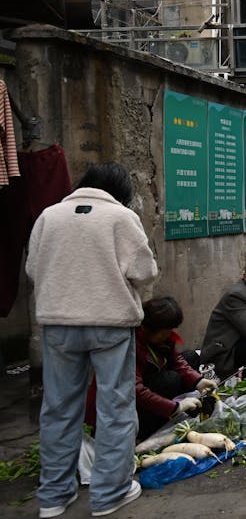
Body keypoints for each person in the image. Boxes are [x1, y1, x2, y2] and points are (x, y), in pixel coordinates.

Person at [26, 161, 158, 517]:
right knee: (114, 407)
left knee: (58, 408)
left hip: (59, 324)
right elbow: (144, 272)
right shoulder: (120, 218)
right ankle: (109, 492)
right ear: (121, 192)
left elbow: (33, 268)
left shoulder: (49, 217)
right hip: (109, 324)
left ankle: (53, 495)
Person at [127, 298, 217, 440]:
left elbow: (177, 361)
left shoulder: (163, 338)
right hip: (138, 403)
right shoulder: (131, 346)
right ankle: (151, 427)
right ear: (148, 328)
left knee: (191, 356)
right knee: (170, 380)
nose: (169, 334)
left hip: (156, 383)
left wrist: (198, 381)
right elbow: (137, 392)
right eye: (165, 331)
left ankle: (189, 407)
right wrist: (176, 407)